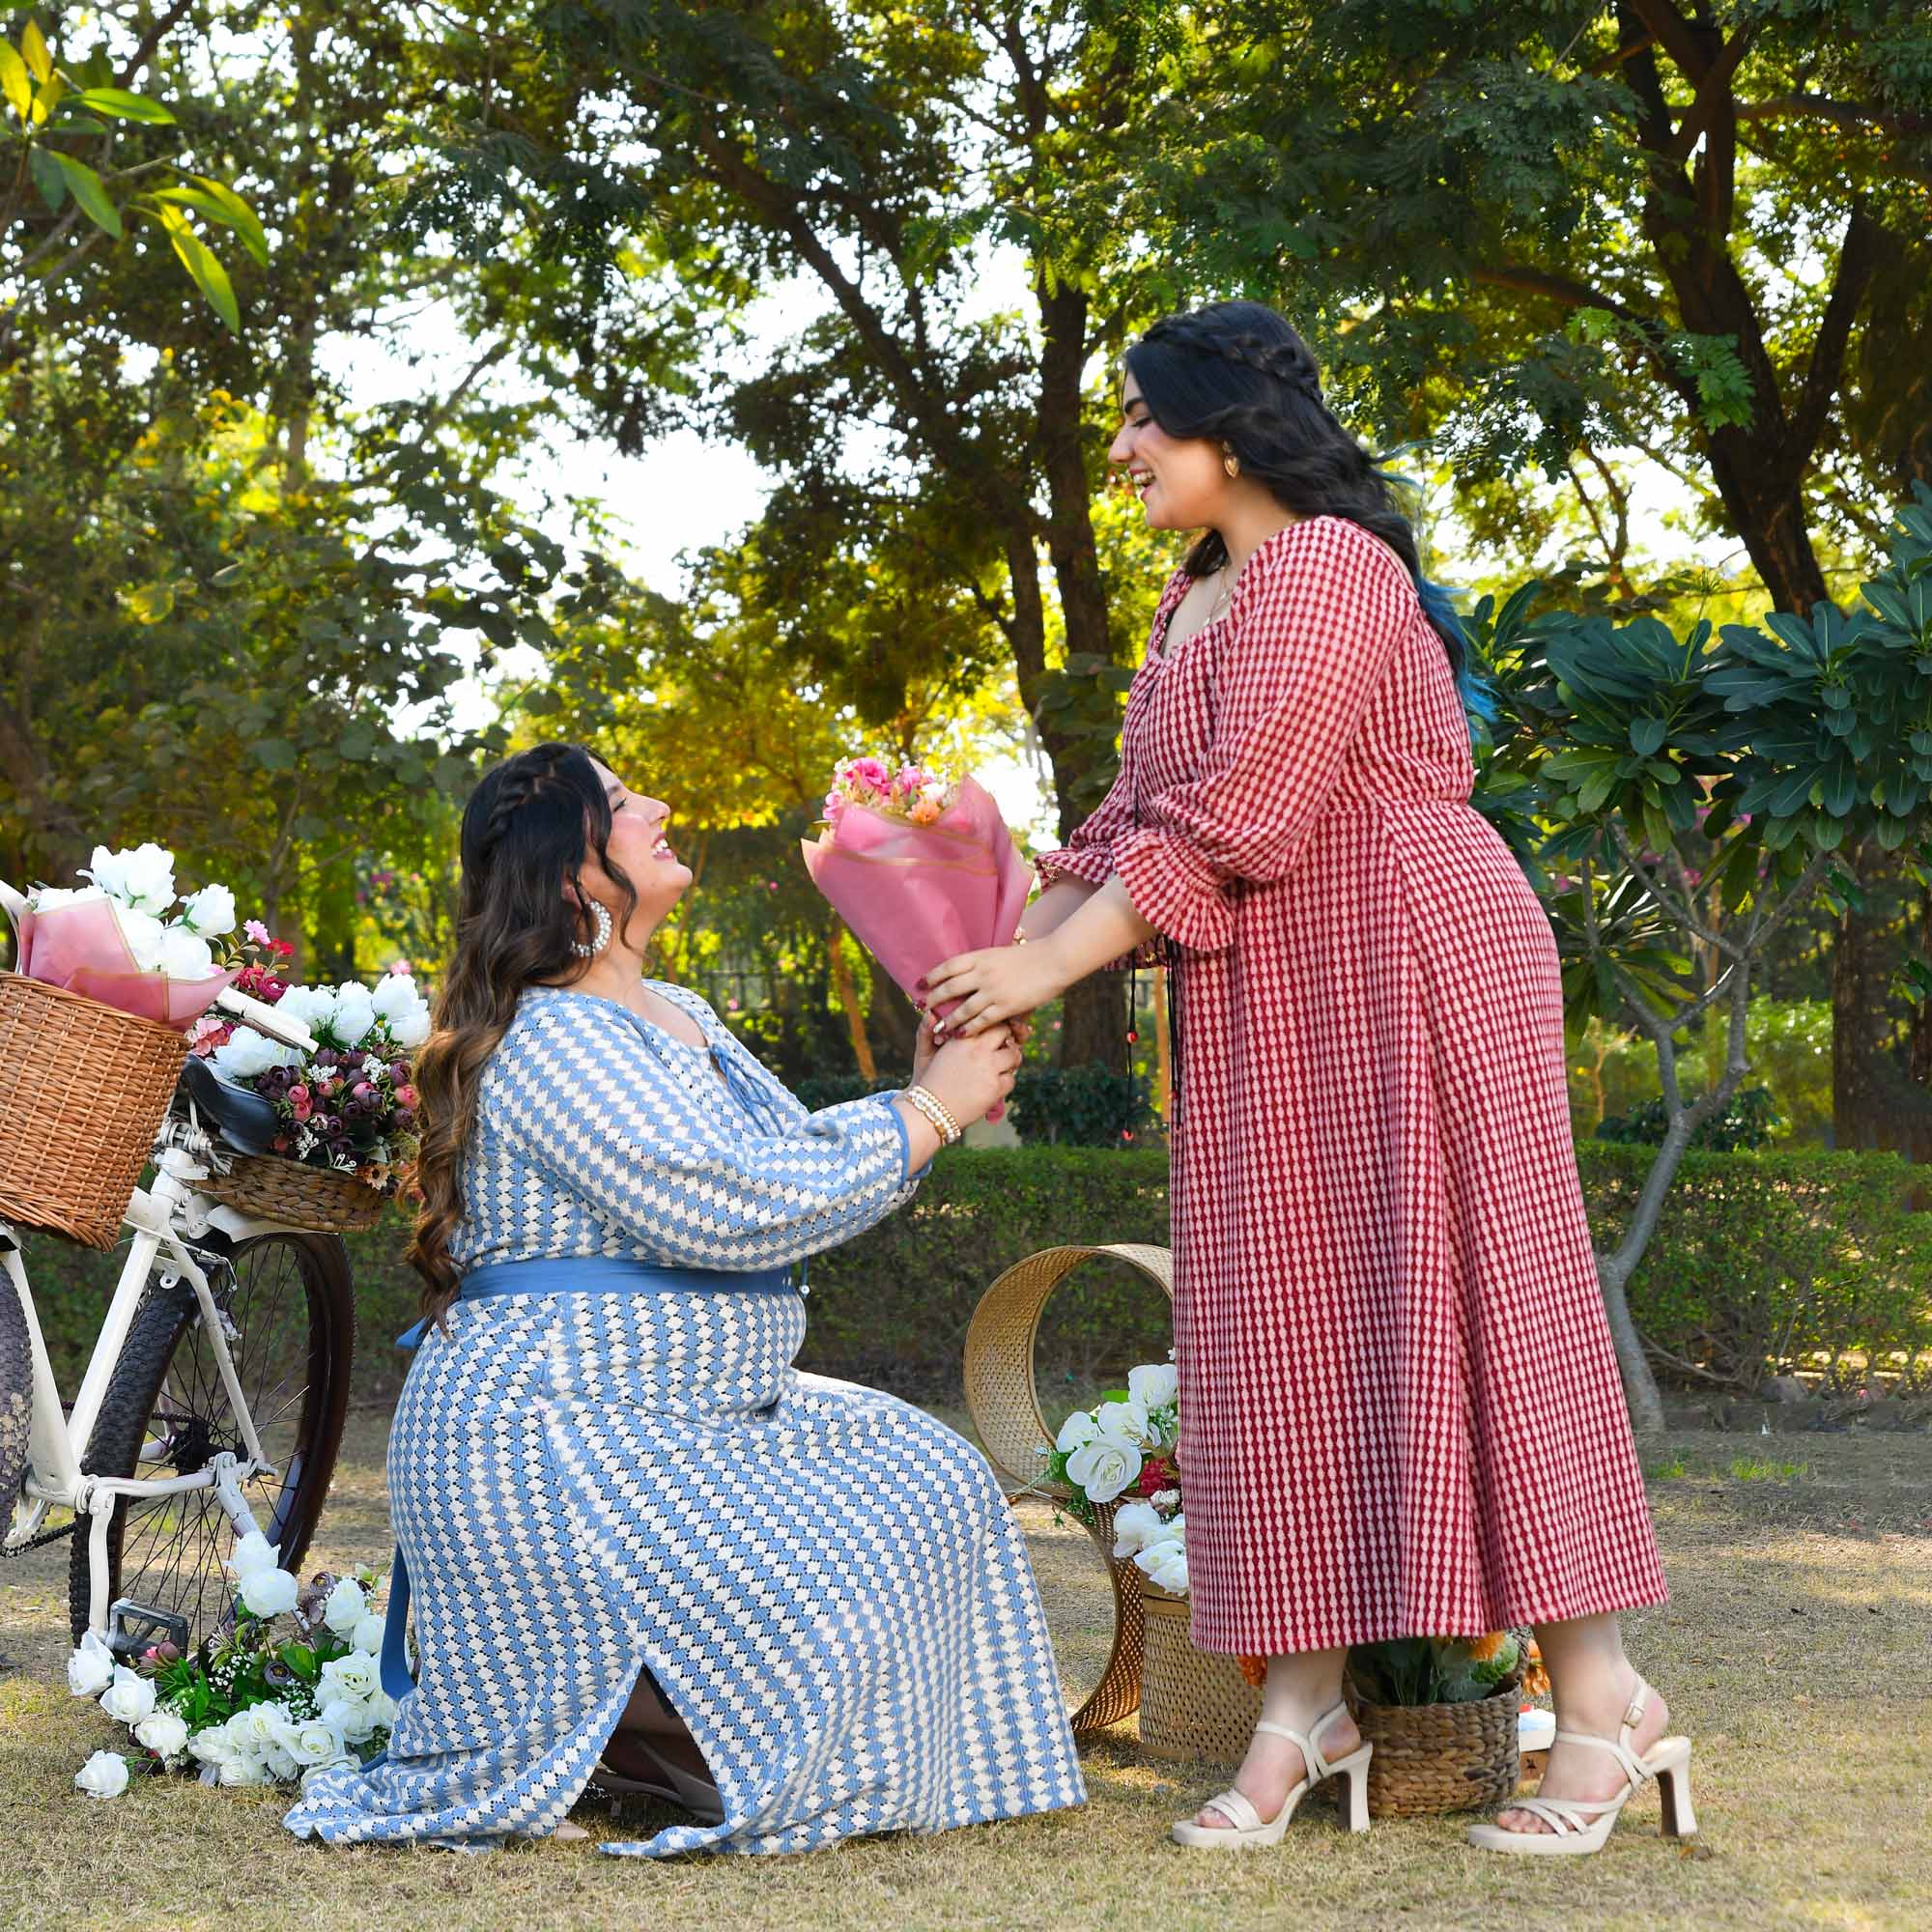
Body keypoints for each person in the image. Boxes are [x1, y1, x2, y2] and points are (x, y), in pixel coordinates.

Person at [923, 301, 1685, 1857]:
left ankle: (1605, 1702)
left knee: (1485, 1315)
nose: (1122, 449)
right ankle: (1302, 1703)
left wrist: (1043, 970)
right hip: (1268, 994)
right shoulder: (1191, 593)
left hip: (1414, 962)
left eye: (1141, 418)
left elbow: (1243, 817)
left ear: (1224, 427)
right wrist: (981, 982)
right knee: (1279, 1338)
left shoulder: (1335, 570)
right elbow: (1134, 825)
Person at [284, 742, 1084, 1856]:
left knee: (929, 1475)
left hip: (696, 1420)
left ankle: (657, 1729)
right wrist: (928, 1112)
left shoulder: (678, 1009)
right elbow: (727, 1205)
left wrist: (923, 1076)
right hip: (564, 1437)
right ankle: (632, 1721)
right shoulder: (547, 1033)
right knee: (811, 1598)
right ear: (572, 875)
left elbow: (793, 1160)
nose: (657, 802)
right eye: (619, 802)